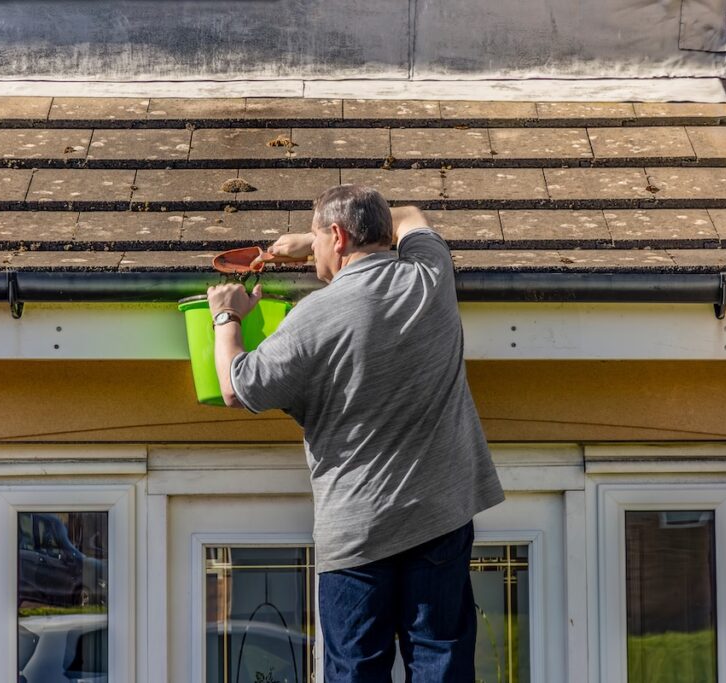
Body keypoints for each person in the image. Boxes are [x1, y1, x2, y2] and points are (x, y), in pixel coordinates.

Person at [206, 184, 505, 683]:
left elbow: (239, 387)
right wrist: (311, 238)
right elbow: (408, 213)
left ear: (339, 237)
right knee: (441, 659)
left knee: (356, 671)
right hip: (439, 516)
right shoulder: (429, 275)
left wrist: (227, 316)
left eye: (322, 238)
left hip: (357, 533)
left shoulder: (315, 317)